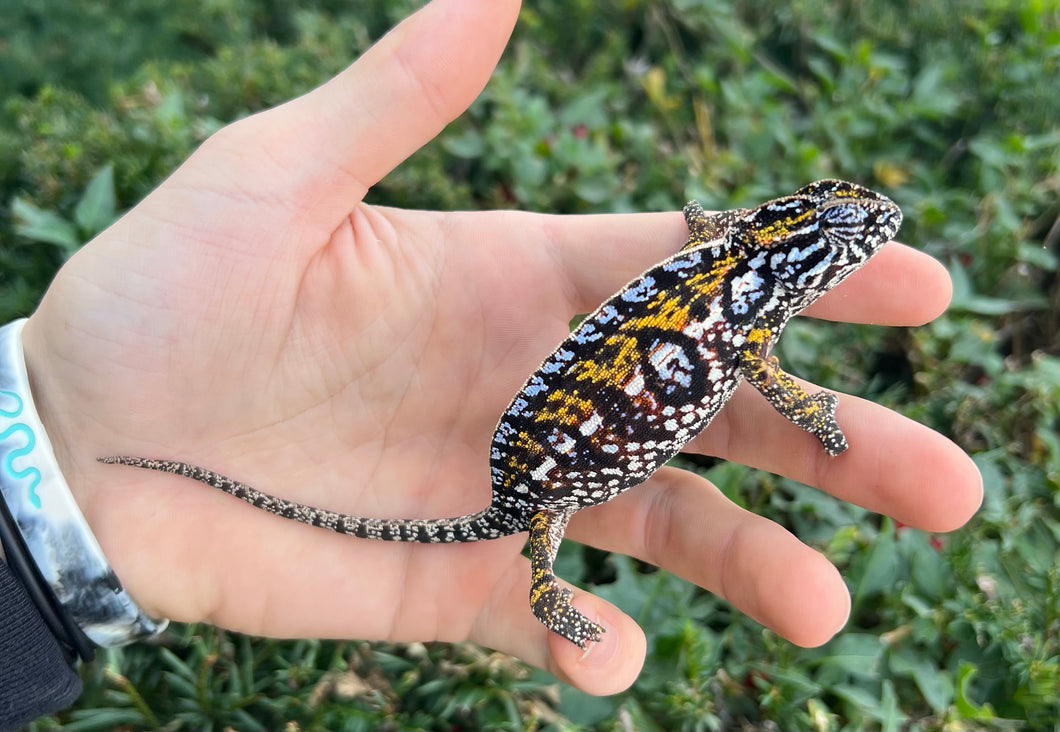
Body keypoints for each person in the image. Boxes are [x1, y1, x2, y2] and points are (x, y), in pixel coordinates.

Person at [0, 0, 982, 724]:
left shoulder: (730, 257)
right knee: (553, 515)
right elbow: (761, 373)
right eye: (844, 226)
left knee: (551, 510)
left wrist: (51, 452)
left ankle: (543, 576)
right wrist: (810, 415)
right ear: (797, 237)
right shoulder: (741, 283)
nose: (862, 230)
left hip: (556, 456)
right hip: (555, 458)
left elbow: (725, 279)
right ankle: (543, 578)